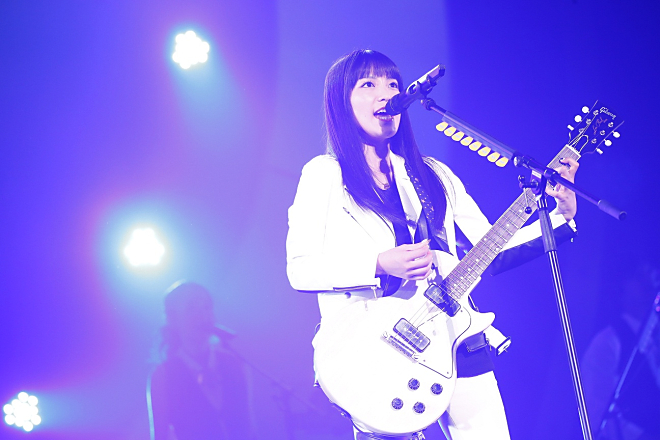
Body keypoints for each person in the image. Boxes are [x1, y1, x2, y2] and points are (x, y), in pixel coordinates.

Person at [285, 49, 578, 440]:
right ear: (341, 101)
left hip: (456, 336)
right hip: (373, 349)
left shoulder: (434, 174)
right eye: (368, 84)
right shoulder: (324, 174)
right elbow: (300, 269)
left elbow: (490, 250)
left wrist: (560, 215)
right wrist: (378, 263)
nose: (386, 94)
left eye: (393, 84)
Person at [147, 281, 255, 440]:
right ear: (173, 319)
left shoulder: (235, 363)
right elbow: (160, 436)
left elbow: (250, 427)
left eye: (207, 307)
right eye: (192, 308)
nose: (203, 315)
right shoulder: (163, 376)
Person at [581, 263, 660, 440]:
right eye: (639, 276)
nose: (650, 281)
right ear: (623, 287)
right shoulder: (608, 340)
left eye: (653, 276)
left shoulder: (654, 341)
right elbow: (594, 410)